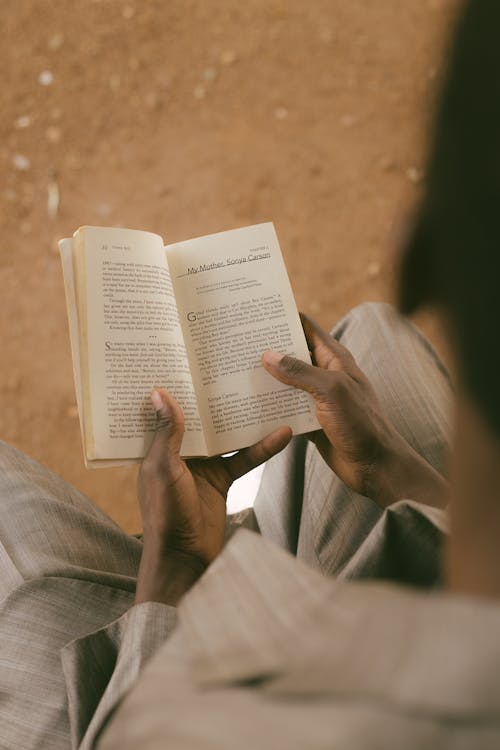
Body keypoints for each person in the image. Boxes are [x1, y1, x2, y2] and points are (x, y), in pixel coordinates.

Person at [1, 0, 499, 747]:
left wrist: (174, 577)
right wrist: (398, 472)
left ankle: (235, 545)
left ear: (416, 250)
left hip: (200, 690)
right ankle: (256, 535)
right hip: (437, 597)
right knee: (374, 336)